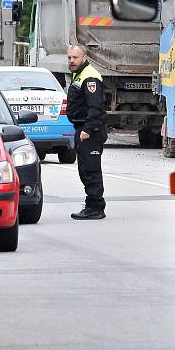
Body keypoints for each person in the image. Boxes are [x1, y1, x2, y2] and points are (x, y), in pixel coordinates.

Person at [66, 44, 107, 219]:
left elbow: (95, 107)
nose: (72, 61)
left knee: (91, 170)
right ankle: (92, 204)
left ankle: (95, 207)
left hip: (89, 131)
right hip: (83, 129)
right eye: (69, 57)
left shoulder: (90, 78)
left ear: (84, 58)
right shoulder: (80, 75)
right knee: (85, 169)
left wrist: (88, 129)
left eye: (75, 58)